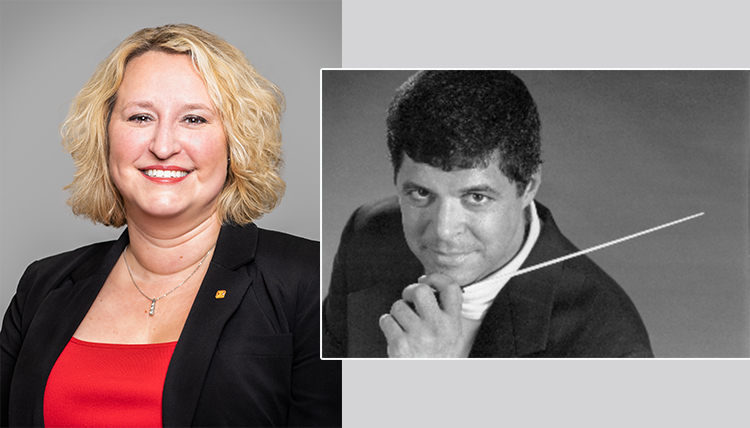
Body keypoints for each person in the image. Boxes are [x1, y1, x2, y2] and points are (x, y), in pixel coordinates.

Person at [1, 24, 341, 427]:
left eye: (194, 119)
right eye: (140, 117)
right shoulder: (43, 284)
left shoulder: (309, 278)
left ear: (237, 141)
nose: (163, 146)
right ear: (105, 135)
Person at [322, 70, 653, 358]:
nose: (443, 232)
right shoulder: (367, 236)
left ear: (528, 188)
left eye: (476, 197)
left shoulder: (609, 343)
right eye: (421, 193)